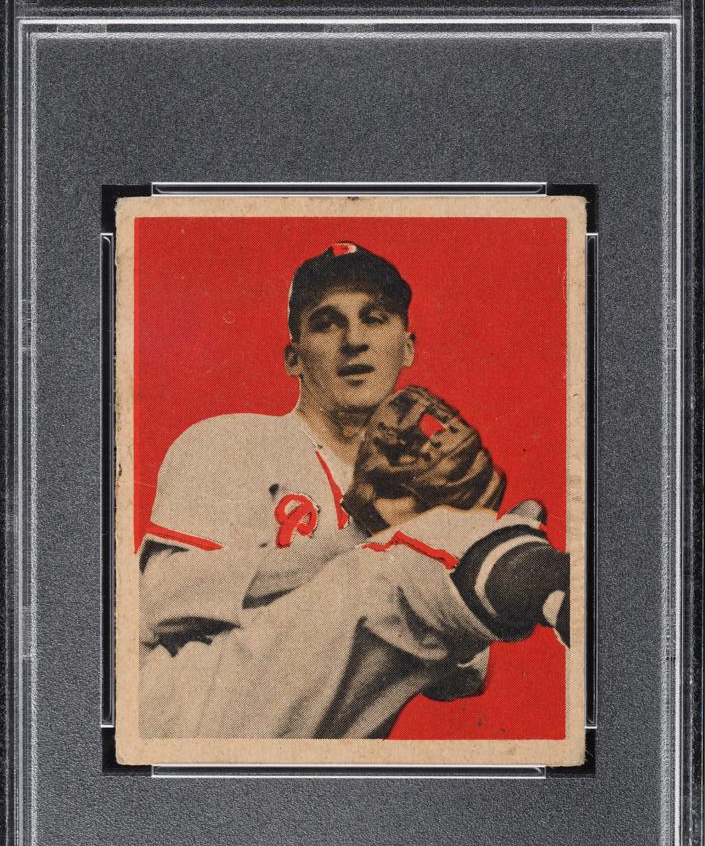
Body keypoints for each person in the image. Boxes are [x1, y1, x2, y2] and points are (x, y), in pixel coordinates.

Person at [138, 242, 568, 739]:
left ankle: (535, 578)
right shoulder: (234, 441)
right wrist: (371, 537)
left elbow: (457, 681)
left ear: (407, 348)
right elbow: (160, 599)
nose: (354, 341)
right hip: (181, 710)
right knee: (415, 557)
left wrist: (431, 540)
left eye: (375, 319)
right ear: (294, 358)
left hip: (319, 743)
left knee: (432, 557)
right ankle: (538, 574)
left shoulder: (408, 488)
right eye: (327, 323)